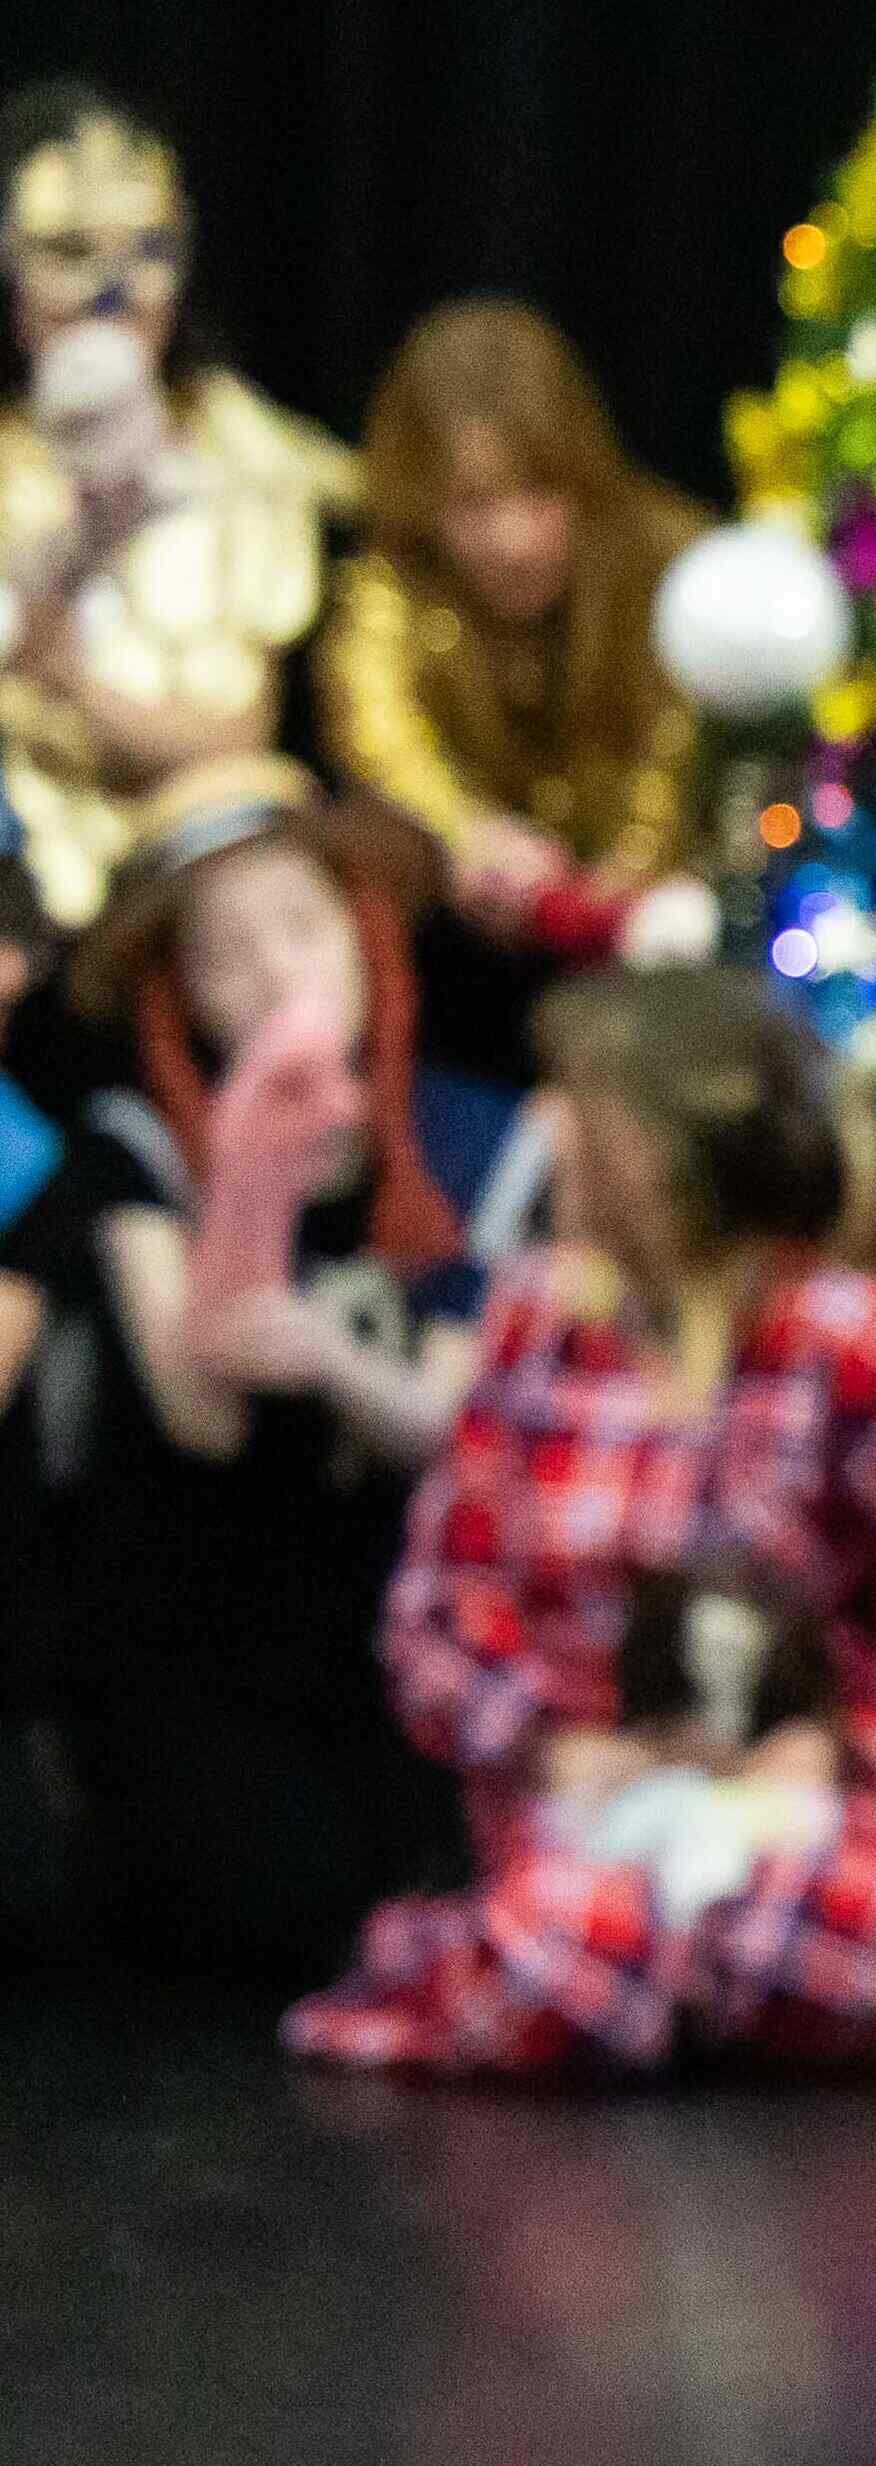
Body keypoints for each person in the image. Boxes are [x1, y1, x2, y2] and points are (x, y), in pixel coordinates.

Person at [281, 968, 876, 2074]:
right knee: (568, 1943)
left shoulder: (842, 1333)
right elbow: (446, 1603)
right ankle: (616, 1970)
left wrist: (833, 1748)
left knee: (835, 1937)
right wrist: (553, 1743)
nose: (547, 1129)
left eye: (581, 1105)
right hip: (595, 1793)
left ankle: (693, 1982)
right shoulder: (535, 1323)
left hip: (800, 1798)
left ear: (667, 1154)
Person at [27, 759, 522, 1978]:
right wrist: (249, 1168)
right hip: (205, 1635)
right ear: (180, 996)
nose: (275, 974)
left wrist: (339, 1364)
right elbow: (204, 1418)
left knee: (463, 1885)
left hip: (419, 1626)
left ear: (363, 935)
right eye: (225, 953)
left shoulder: (480, 1139)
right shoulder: (133, 1153)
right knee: (267, 1905)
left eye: (301, 927)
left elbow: (464, 1425)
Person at [321, 299, 711, 1078]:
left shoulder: (673, 565)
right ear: (423, 501)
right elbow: (377, 732)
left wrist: (626, 879)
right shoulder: (391, 586)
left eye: (540, 493)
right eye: (475, 504)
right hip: (467, 978)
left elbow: (679, 750)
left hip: (663, 947)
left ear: (585, 476)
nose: (514, 538)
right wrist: (468, 837)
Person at [0, 81, 351, 931]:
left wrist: (72, 682)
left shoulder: (245, 449)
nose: (113, 296)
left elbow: (239, 730)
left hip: (198, 874)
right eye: (71, 252)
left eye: (147, 249)